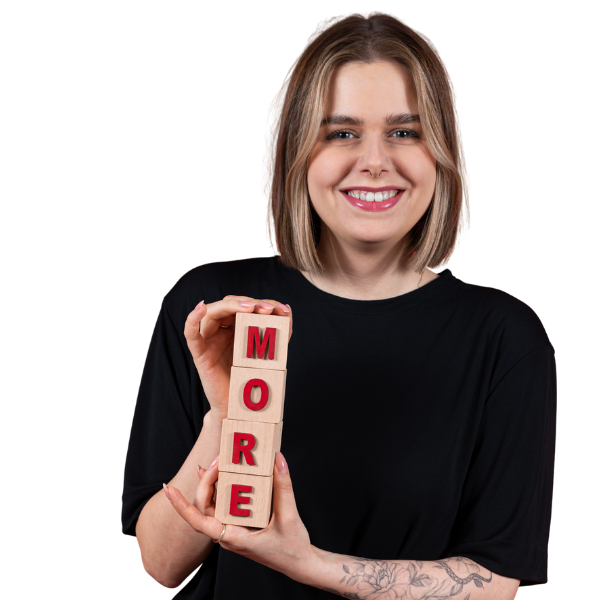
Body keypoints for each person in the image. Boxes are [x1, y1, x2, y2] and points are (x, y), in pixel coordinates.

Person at [122, 12, 556, 599]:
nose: (374, 161)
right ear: (297, 154)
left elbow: (493, 583)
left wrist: (305, 562)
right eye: (341, 133)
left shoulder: (503, 337)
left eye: (405, 132)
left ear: (441, 154)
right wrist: (227, 415)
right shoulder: (214, 311)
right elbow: (160, 563)